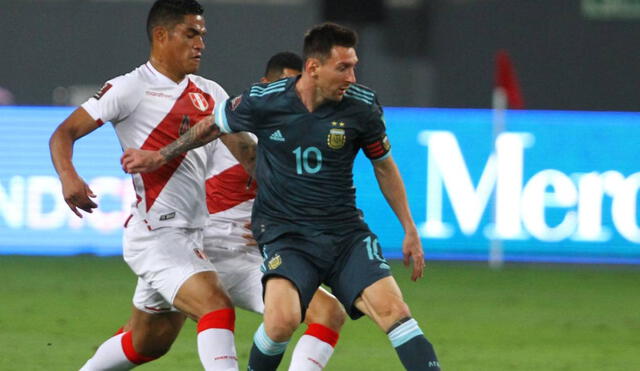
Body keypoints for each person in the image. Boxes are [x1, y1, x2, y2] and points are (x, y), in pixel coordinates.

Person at [122, 23, 441, 370]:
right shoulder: (266, 101)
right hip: (287, 238)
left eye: (354, 66)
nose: (352, 77)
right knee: (280, 322)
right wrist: (162, 155)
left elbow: (384, 166)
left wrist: (409, 227)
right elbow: (213, 125)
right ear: (314, 68)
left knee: (396, 312)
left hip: (345, 236)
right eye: (343, 67)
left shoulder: (361, 107)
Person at [49, 1, 253, 369]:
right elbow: (64, 133)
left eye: (202, 35)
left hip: (195, 235)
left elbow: (248, 156)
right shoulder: (130, 87)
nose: (200, 44)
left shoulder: (210, 92)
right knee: (215, 305)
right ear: (161, 35)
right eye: (191, 33)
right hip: (157, 235)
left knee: (148, 343)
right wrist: (69, 176)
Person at [113, 51, 347, 370]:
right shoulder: (228, 128)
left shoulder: (307, 148)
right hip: (197, 252)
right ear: (264, 86)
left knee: (328, 313)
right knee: (144, 340)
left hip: (250, 261)